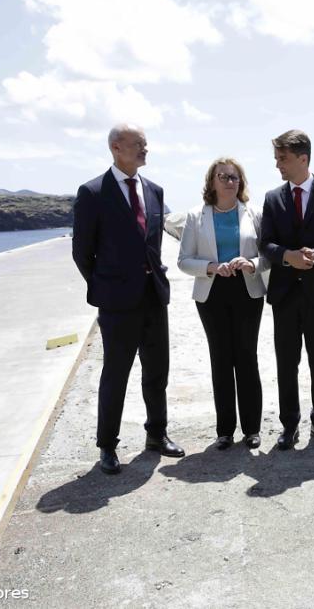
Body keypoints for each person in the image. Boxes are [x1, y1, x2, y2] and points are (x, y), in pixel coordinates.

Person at [71, 123, 185, 475]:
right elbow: (82, 252)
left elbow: (153, 243)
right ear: (117, 147)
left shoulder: (154, 191)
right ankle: (107, 445)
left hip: (153, 296)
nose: (145, 149)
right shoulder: (93, 192)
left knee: (157, 371)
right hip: (117, 302)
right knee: (116, 374)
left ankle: (157, 434)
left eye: (145, 144)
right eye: (138, 144)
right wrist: (106, 286)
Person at [258, 130, 314, 450]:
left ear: (303, 158)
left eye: (283, 158)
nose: (277, 164)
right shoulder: (272, 198)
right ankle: (289, 425)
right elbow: (265, 244)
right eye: (276, 158)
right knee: (286, 363)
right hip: (285, 296)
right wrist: (287, 256)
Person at [178, 158, 268, 450]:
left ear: (241, 182)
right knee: (220, 359)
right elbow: (184, 261)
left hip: (247, 291)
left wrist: (251, 263)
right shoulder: (196, 216)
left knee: (247, 357)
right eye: (223, 176)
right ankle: (225, 431)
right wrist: (211, 267)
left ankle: (252, 429)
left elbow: (268, 255)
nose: (230, 181)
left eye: (234, 177)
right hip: (212, 293)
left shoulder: (254, 213)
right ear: (212, 181)